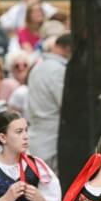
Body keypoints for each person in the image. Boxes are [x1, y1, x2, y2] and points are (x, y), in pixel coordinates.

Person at [24, 34, 71, 173]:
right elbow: (65, 103)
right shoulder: (59, 70)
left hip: (36, 134)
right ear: (67, 48)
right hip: (51, 136)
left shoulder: (38, 67)